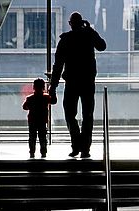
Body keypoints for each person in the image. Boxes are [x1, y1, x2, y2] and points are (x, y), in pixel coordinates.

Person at [49, 12, 106, 159]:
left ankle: (76, 144)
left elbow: (58, 65)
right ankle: (85, 147)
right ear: (82, 22)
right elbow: (102, 46)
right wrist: (91, 30)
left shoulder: (66, 40)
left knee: (70, 114)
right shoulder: (89, 36)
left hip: (72, 82)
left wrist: (53, 86)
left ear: (70, 23)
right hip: (87, 82)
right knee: (87, 115)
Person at [22, 77, 56, 159]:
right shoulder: (46, 97)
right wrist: (52, 91)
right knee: (43, 137)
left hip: (32, 120)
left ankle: (32, 152)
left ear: (34, 87)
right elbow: (54, 101)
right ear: (43, 87)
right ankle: (43, 152)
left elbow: (24, 107)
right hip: (42, 120)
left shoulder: (30, 98)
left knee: (32, 137)